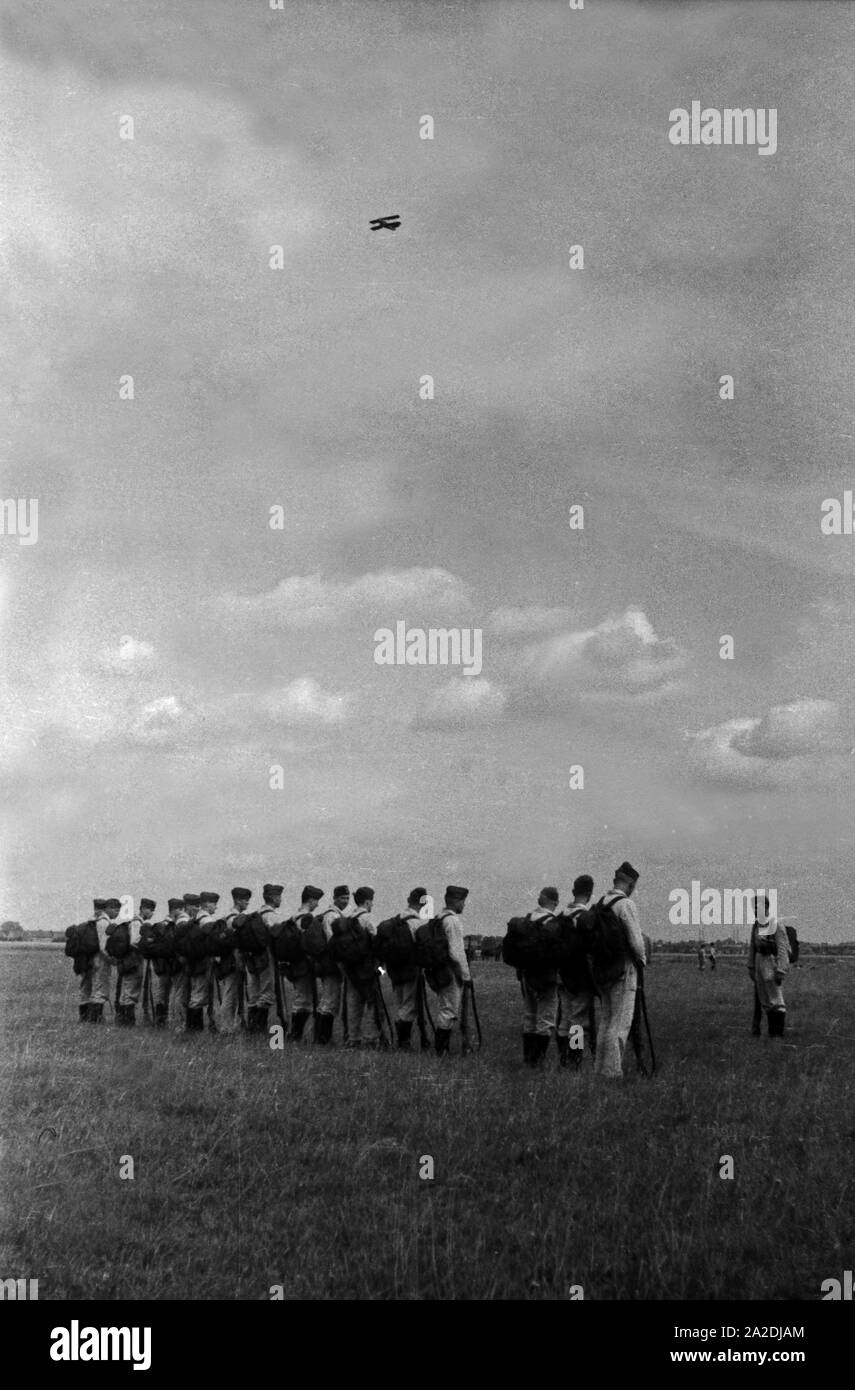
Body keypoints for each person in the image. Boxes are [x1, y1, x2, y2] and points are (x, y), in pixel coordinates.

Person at [592, 862, 646, 1080]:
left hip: (604, 970)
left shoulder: (601, 903)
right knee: (621, 1022)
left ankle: (600, 1068)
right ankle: (612, 1072)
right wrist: (642, 961)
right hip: (624, 970)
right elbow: (637, 943)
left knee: (605, 1020)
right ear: (631, 884)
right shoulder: (626, 905)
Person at [556, 874, 596, 1069]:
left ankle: (563, 1057)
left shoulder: (560, 916)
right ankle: (574, 1060)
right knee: (579, 1022)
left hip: (562, 974)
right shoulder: (586, 917)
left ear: (573, 892)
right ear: (589, 894)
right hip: (581, 976)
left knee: (565, 1017)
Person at [518, 887, 560, 1067]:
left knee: (530, 1017)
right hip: (547, 977)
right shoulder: (554, 922)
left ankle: (529, 1059)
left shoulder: (527, 920)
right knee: (546, 1019)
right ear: (555, 902)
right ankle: (539, 1061)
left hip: (528, 975)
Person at [381, 887, 427, 1050]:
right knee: (409, 1005)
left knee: (399, 1003)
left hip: (394, 969)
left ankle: (400, 1040)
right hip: (411, 969)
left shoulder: (396, 920)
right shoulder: (418, 923)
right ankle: (403, 1042)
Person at [338, 886, 381, 1049]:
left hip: (350, 969)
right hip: (368, 968)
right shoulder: (368, 918)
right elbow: (377, 941)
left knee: (353, 1002)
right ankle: (370, 1038)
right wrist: (381, 970)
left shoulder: (347, 920)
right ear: (368, 901)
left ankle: (353, 1038)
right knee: (372, 1002)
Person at [432, 885, 471, 1056]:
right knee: (449, 1011)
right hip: (451, 972)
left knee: (445, 1008)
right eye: (463, 901)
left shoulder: (439, 918)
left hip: (439, 971)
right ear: (456, 901)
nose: (464, 905)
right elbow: (456, 952)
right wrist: (466, 975)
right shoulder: (453, 921)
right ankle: (442, 1050)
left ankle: (442, 1049)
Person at [747, 895, 788, 1037]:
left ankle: (778, 1033)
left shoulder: (775, 924)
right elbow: (752, 946)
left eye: (759, 906)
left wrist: (781, 969)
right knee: (764, 998)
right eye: (754, 907)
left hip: (771, 961)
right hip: (759, 960)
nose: (756, 909)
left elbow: (782, 948)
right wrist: (751, 966)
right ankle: (772, 1033)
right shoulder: (756, 925)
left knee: (775, 998)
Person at [315, 885, 350, 1045]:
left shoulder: (334, 915)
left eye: (347, 898)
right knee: (330, 1001)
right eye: (343, 898)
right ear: (335, 898)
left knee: (327, 1000)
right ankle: (323, 1039)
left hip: (328, 963)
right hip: (332, 963)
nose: (346, 901)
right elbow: (332, 941)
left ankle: (321, 1038)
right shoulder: (332, 916)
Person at [212, 887, 251, 1033]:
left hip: (226, 959)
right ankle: (226, 1027)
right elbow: (235, 942)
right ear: (237, 900)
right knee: (230, 994)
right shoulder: (233, 918)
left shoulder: (226, 916)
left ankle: (230, 1025)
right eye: (245, 900)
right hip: (233, 958)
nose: (247, 902)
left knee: (231, 993)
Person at [245, 883, 282, 1034]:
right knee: (266, 994)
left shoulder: (255, 914)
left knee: (254, 994)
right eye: (279, 896)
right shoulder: (271, 916)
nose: (280, 899)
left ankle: (251, 1029)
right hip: (266, 957)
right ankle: (259, 1030)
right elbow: (278, 937)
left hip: (252, 958)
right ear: (273, 898)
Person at [116, 897, 155, 1026]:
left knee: (128, 989)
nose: (152, 913)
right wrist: (147, 943)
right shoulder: (137, 923)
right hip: (133, 959)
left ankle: (122, 1020)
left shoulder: (135, 921)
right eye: (151, 910)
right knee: (131, 990)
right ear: (143, 909)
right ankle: (127, 1021)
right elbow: (134, 941)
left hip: (131, 959)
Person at [146, 898, 183, 1027]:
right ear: (176, 910)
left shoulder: (158, 925)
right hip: (172, 964)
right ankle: (171, 1020)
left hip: (159, 965)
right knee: (175, 992)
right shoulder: (173, 926)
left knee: (161, 992)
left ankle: (160, 1020)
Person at [89, 897, 122, 1023]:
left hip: (97, 959)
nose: (117, 913)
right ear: (107, 909)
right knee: (101, 989)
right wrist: (111, 959)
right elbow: (103, 946)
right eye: (115, 909)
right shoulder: (104, 923)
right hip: (102, 960)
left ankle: (94, 1018)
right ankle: (96, 1018)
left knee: (98, 987)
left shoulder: (99, 920)